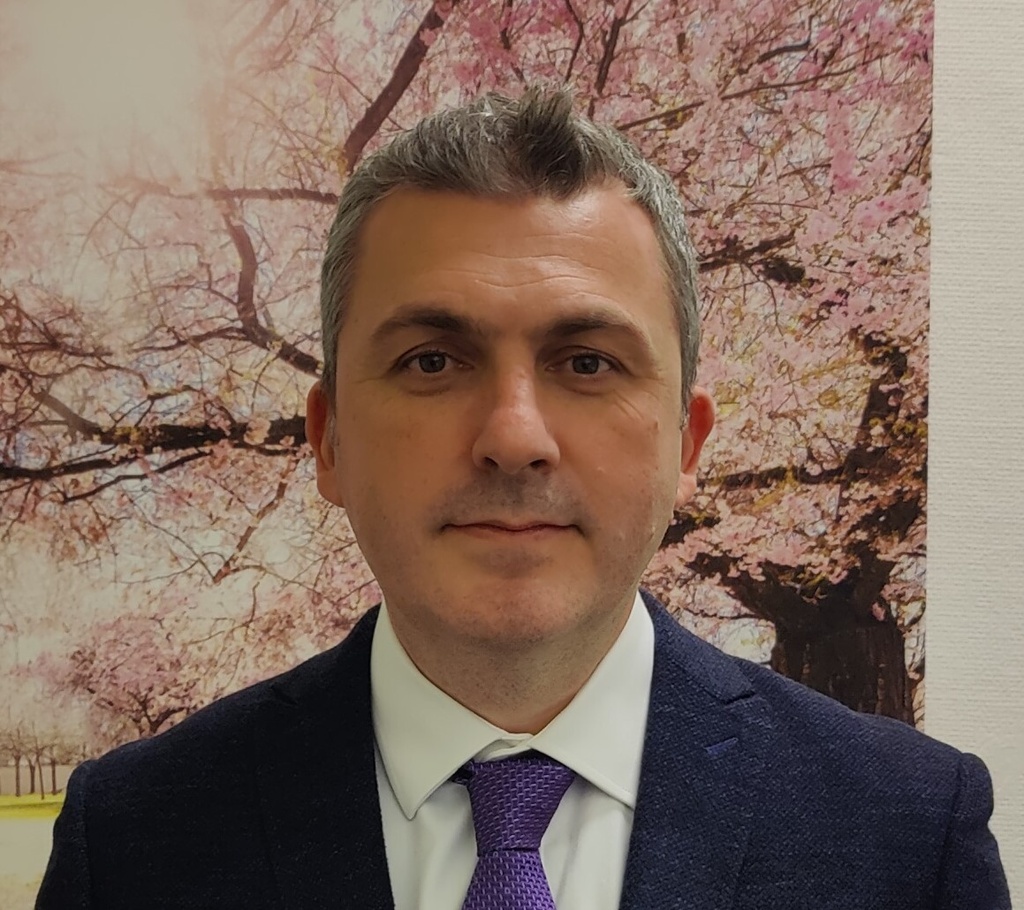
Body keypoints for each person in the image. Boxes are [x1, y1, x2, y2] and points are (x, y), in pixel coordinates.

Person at [37, 87, 1009, 910]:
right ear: (328, 439)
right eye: (431, 361)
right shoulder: (130, 842)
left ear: (686, 444)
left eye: (586, 362)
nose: (513, 436)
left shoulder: (908, 834)